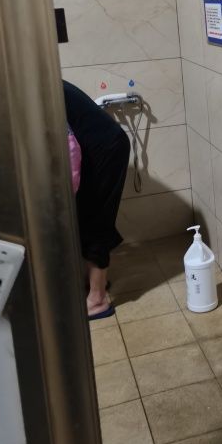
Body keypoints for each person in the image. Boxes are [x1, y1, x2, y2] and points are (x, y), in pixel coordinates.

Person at [63, 80, 130, 319]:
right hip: (96, 149)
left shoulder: (33, 87)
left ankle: (97, 300)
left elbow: (68, 144)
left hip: (105, 150)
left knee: (96, 221)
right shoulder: (34, 81)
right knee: (86, 217)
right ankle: (92, 281)